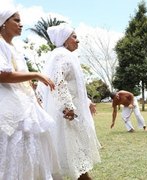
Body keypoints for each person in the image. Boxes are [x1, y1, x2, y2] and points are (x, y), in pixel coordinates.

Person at [0, 6, 59, 179]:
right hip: (8, 103)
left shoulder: (14, 47)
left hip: (25, 102)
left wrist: (36, 100)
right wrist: (36, 74)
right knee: (12, 147)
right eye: (16, 20)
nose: (21, 24)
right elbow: (3, 75)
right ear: (3, 23)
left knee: (32, 147)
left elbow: (21, 78)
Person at [36, 24, 101, 180]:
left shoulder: (67, 55)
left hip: (73, 112)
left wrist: (86, 101)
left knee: (76, 152)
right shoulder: (61, 55)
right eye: (74, 36)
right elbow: (58, 81)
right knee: (74, 151)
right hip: (68, 114)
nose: (77, 40)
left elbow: (74, 85)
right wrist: (68, 107)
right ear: (65, 40)